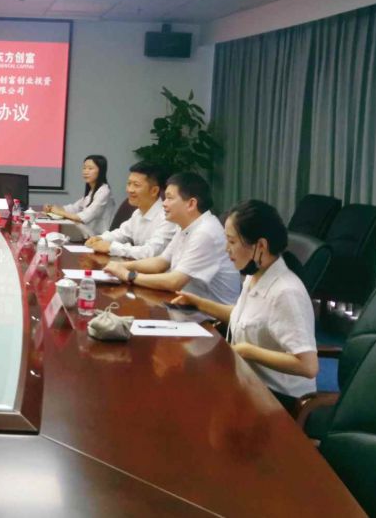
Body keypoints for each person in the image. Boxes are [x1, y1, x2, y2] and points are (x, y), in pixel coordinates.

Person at [172, 200, 319, 409]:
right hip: (249, 382)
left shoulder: (286, 292)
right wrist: (199, 303)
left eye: (232, 242)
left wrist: (248, 351)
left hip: (278, 399)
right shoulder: (256, 274)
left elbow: (308, 366)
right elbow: (245, 317)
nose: (226, 249)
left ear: (261, 246)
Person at [104, 172, 240, 307]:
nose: (164, 203)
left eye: (169, 198)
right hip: (186, 306)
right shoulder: (186, 226)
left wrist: (129, 275)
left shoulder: (205, 232)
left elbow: (174, 282)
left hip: (210, 317)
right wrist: (121, 266)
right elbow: (160, 262)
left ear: (191, 204)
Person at [84, 161, 177, 259]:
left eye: (136, 185)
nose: (129, 190)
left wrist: (112, 247)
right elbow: (122, 233)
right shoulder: (138, 213)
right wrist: (100, 238)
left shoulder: (167, 218)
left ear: (154, 191)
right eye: (129, 184)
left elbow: (150, 252)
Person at [43, 154, 115, 239]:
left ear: (101, 171)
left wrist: (58, 212)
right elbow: (73, 208)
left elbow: (83, 217)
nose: (85, 172)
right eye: (84, 168)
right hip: (87, 234)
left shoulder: (104, 191)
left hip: (97, 238)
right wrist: (52, 208)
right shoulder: (92, 191)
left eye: (90, 168)